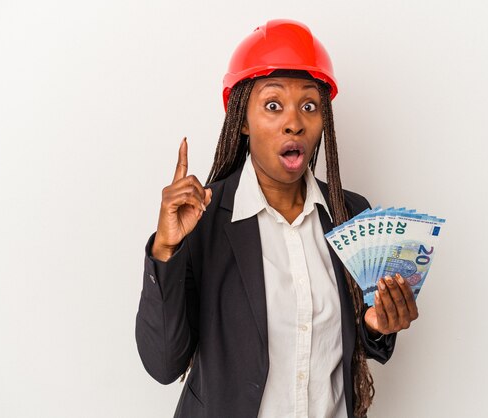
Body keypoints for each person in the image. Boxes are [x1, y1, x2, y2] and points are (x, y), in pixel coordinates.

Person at [135, 19, 419, 418]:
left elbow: (350, 341)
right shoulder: (202, 220)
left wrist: (375, 325)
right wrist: (166, 249)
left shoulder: (350, 215)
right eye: (273, 105)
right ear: (243, 121)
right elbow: (164, 364)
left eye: (309, 105)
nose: (294, 122)